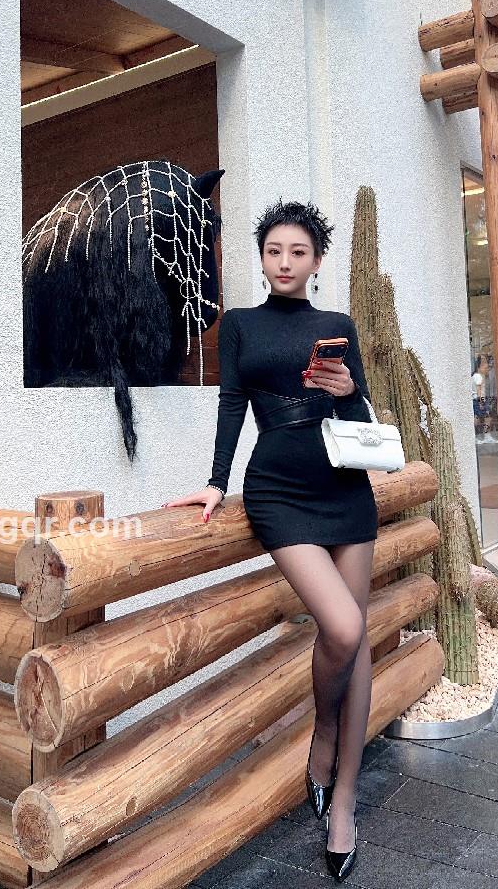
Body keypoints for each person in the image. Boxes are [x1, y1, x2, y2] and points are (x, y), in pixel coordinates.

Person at [163, 199, 377, 883]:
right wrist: (215, 481)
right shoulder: (241, 325)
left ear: (316, 261)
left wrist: (346, 390)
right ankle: (323, 730)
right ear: (261, 257)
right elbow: (231, 403)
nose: (284, 262)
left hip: (345, 490)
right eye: (274, 250)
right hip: (279, 492)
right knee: (342, 628)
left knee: (356, 643)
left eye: (297, 252)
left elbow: (361, 415)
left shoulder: (337, 325)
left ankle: (345, 802)